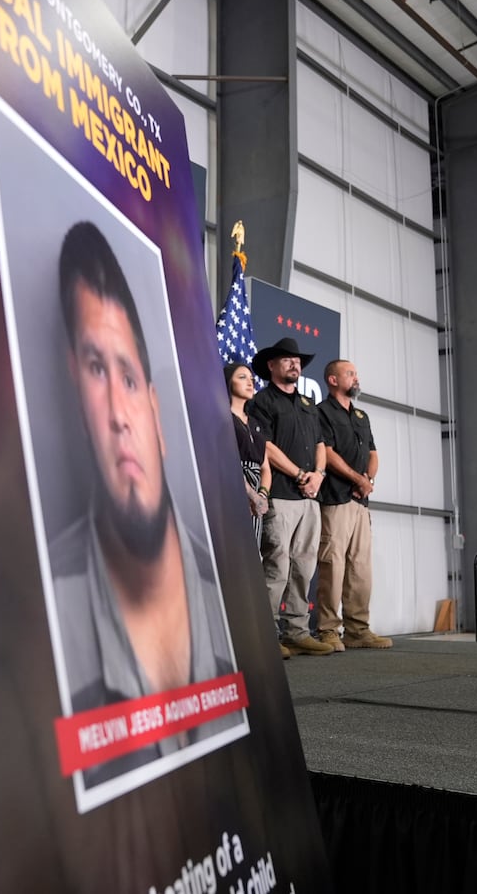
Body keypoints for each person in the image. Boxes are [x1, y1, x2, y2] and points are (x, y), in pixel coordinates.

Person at [50, 222, 237, 778]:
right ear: (79, 411)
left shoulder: (228, 591)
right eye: (95, 370)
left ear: (157, 416)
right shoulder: (40, 613)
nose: (116, 413)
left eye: (128, 378)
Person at [249, 337, 335, 657]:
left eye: (296, 360)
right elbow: (266, 447)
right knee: (277, 564)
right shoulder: (262, 401)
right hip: (282, 496)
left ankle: (297, 630)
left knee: (304, 566)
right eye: (286, 359)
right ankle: (268, 632)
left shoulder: (308, 404)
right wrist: (300, 475)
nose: (294, 364)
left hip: (310, 498)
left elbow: (320, 445)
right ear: (271, 366)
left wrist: (318, 476)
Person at [315, 360, 391, 651]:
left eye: (356, 373)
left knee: (361, 566)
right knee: (332, 564)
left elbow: (373, 452)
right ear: (333, 380)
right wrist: (357, 479)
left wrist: (367, 479)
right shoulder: (322, 412)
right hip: (336, 498)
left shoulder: (361, 414)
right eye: (350, 373)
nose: (356, 378)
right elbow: (329, 454)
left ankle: (358, 629)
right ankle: (328, 630)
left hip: (361, 501)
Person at [225, 361, 272, 548]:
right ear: (229, 382)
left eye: (252, 379)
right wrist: (250, 494)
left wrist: (262, 494)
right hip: (233, 491)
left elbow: (266, 467)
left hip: (256, 495)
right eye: (242, 377)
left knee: (253, 551)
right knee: (234, 551)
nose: (250, 383)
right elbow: (227, 463)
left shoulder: (256, 423)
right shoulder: (222, 418)